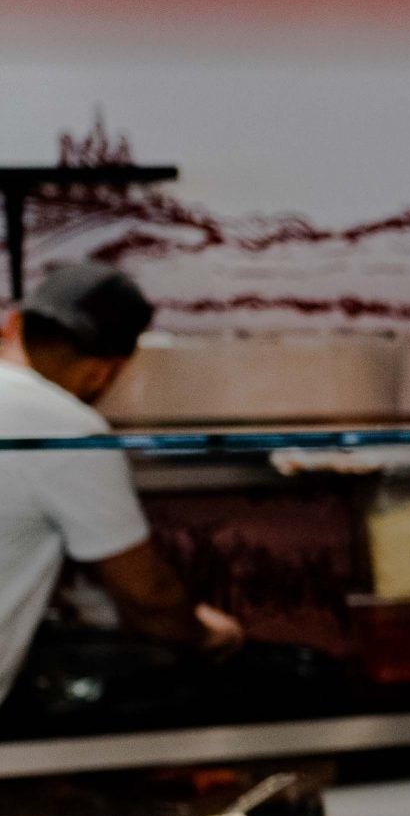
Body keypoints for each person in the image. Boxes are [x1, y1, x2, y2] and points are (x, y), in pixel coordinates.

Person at [0, 260, 241, 704]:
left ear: (11, 325)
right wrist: (205, 633)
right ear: (102, 372)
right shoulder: (67, 428)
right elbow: (147, 596)